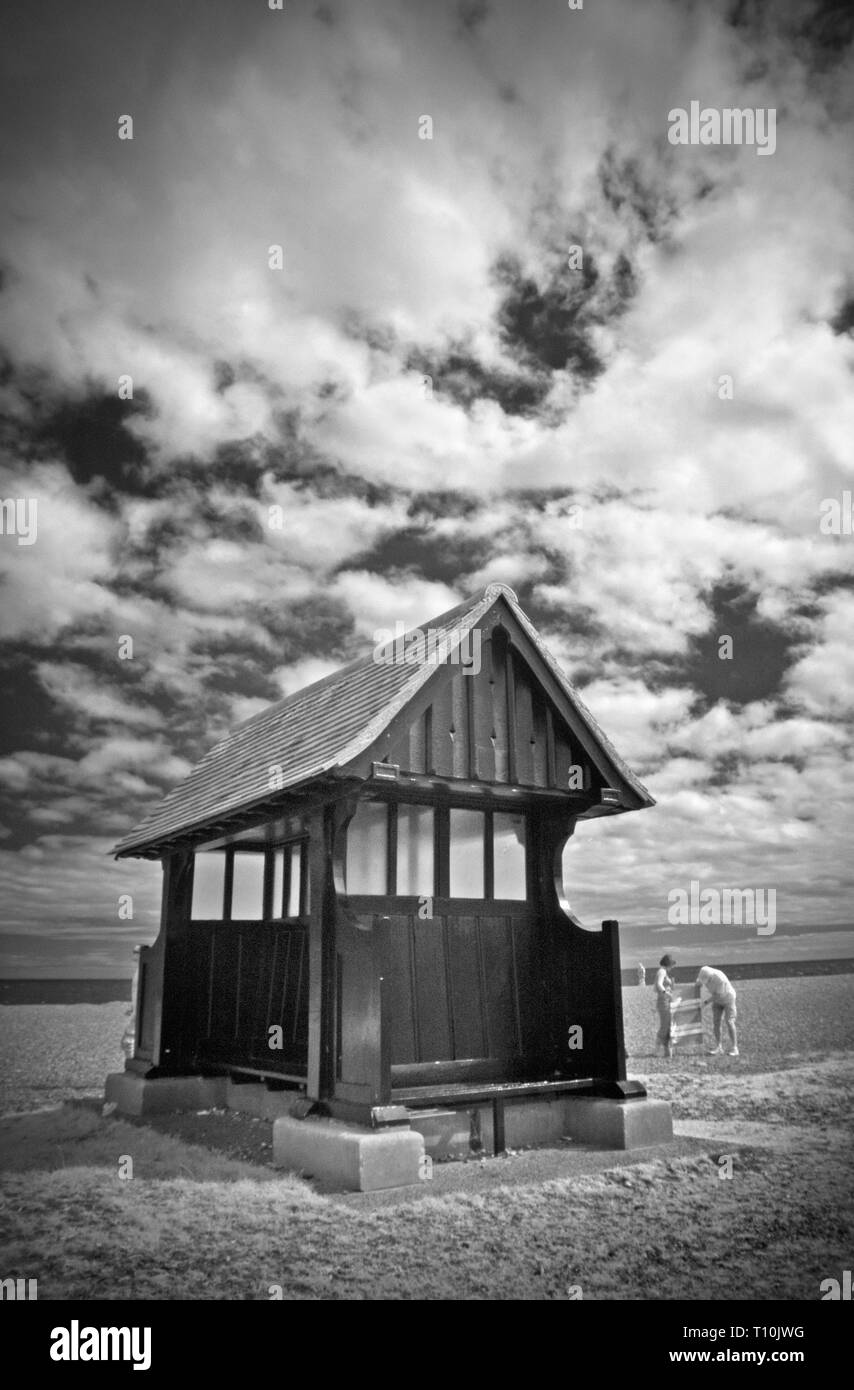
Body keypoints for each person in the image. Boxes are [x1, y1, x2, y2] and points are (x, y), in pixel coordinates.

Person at [697, 965, 739, 1056]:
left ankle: (735, 1048)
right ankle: (718, 1047)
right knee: (716, 1023)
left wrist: (705, 1002)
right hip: (717, 1001)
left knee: (729, 1021)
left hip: (728, 999)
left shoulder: (720, 979)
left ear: (710, 977)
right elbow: (698, 983)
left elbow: (718, 995)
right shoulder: (703, 973)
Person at [654, 954, 676, 1058]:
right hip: (663, 1002)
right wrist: (667, 993)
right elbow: (658, 984)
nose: (672, 968)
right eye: (672, 965)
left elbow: (657, 987)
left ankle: (664, 1050)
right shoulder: (662, 971)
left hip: (664, 1001)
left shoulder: (662, 971)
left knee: (666, 1026)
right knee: (664, 1026)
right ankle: (656, 1050)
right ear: (668, 964)